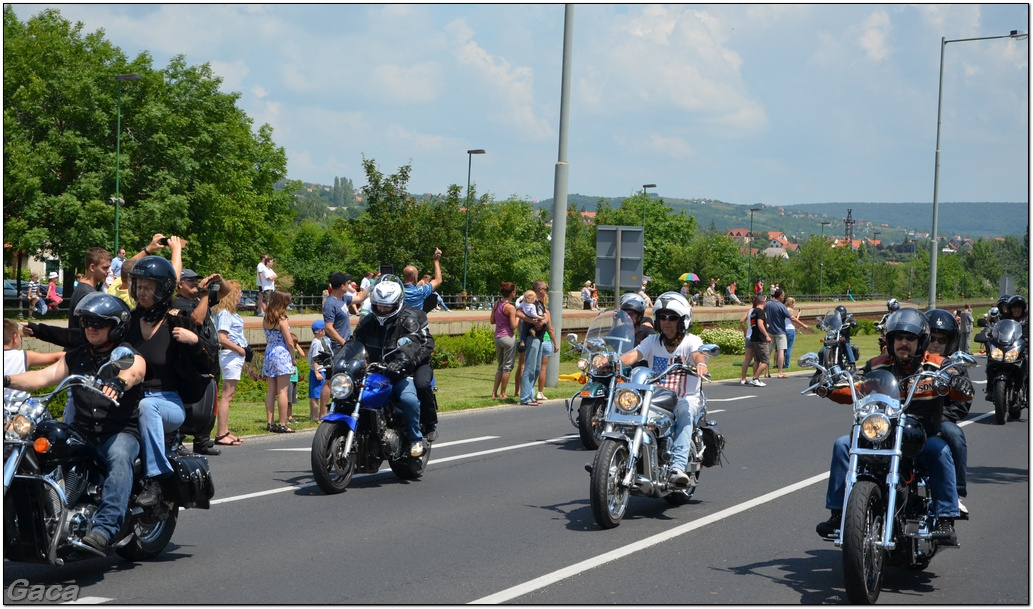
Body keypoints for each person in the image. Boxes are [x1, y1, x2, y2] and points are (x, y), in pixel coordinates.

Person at [4, 292, 147, 552]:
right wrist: (6, 380)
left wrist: (119, 381)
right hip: (83, 431)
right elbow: (41, 378)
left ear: (116, 326)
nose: (91, 327)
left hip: (118, 431)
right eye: (88, 322)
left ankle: (104, 529)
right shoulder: (77, 356)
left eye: (99, 323)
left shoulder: (124, 354)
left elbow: (135, 370)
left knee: (119, 457)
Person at [816, 308, 968, 545]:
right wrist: (826, 386)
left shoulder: (937, 365)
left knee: (941, 451)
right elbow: (853, 387)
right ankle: (838, 513)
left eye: (910, 338)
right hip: (881, 434)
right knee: (842, 445)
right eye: (898, 338)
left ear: (921, 342)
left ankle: (945, 516)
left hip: (922, 437)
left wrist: (957, 381)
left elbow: (959, 389)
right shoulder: (877, 366)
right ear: (890, 340)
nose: (903, 343)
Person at [127, 249, 212, 505]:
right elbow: (87, 339)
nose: (142, 292)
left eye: (148, 287)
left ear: (162, 289)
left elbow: (206, 362)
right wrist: (41, 330)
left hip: (167, 402)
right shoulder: (129, 321)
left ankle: (156, 477)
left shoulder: (177, 321)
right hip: (131, 399)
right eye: (139, 286)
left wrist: (195, 340)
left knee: (148, 406)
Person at [618, 292, 708, 486]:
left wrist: (700, 364)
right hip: (656, 398)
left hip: (686, 397)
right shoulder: (653, 341)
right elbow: (634, 354)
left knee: (684, 411)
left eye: (672, 318)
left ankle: (677, 467)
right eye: (663, 317)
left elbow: (697, 354)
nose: (667, 322)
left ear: (682, 321)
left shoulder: (691, 341)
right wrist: (613, 361)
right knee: (628, 409)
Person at [353, 274, 433, 456]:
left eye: (387, 305)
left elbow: (414, 342)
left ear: (397, 303)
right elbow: (354, 342)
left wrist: (402, 360)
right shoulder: (367, 321)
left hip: (398, 372)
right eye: (379, 304)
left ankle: (415, 438)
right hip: (373, 372)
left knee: (408, 399)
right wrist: (338, 358)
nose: (382, 309)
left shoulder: (408, 319)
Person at [170, 268, 226, 456]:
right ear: (180, 285)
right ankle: (177, 440)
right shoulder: (179, 302)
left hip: (210, 357)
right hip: (192, 359)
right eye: (190, 281)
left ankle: (202, 441)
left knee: (211, 400)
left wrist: (220, 279)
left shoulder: (200, 299)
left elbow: (225, 292)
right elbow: (197, 320)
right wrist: (204, 294)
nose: (195, 283)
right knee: (189, 400)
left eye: (197, 280)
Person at [925, 308, 971, 516]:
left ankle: (956, 493)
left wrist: (937, 418)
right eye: (931, 338)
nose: (935, 343)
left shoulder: (955, 366)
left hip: (940, 421)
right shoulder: (914, 361)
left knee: (954, 433)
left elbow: (962, 406)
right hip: (905, 420)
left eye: (941, 340)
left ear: (950, 342)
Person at [320, 272, 369, 410]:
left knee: (345, 376)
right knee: (330, 380)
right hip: (336, 346)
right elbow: (328, 328)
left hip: (344, 346)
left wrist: (372, 285)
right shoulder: (330, 303)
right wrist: (343, 342)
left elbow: (360, 297)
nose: (349, 286)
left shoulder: (343, 299)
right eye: (347, 284)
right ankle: (323, 413)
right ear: (342, 286)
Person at [213, 280, 248, 446]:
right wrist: (239, 349)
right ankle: (221, 433)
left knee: (229, 395)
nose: (240, 295)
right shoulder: (225, 313)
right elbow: (222, 338)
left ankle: (225, 430)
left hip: (234, 355)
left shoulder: (231, 312)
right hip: (231, 355)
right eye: (238, 292)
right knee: (227, 396)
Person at [262, 290, 297, 433]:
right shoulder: (281, 319)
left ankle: (270, 423)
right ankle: (282, 424)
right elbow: (289, 341)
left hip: (269, 351)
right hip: (281, 353)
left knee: (271, 391)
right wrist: (293, 357)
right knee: (283, 391)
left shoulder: (266, 317)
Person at [3, 319, 64, 400]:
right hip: (16, 406)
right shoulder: (23, 356)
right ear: (15, 338)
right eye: (19, 335)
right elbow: (57, 357)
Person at [515, 280, 550, 405]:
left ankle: (531, 395)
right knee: (529, 367)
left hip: (540, 337)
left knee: (536, 369)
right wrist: (533, 321)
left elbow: (546, 315)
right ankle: (525, 398)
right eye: (545, 289)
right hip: (532, 337)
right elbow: (518, 312)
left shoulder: (539, 303)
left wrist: (543, 321)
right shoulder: (529, 301)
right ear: (540, 289)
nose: (545, 291)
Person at [68, 247, 113, 331]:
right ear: (92, 267)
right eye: (105, 268)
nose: (109, 271)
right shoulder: (88, 295)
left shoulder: (83, 288)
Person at [489, 281, 519, 399]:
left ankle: (494, 392)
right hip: (508, 337)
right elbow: (513, 326)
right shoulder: (510, 308)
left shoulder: (496, 304)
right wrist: (518, 318)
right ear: (512, 293)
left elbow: (492, 320)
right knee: (507, 367)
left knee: (500, 366)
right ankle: (503, 393)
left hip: (498, 337)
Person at [403, 248, 443, 312]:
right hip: (417, 319)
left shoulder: (398, 291)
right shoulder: (421, 290)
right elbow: (438, 280)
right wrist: (436, 261)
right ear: (415, 276)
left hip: (401, 320)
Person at [535, 289, 557, 402]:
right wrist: (555, 344)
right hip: (547, 341)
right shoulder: (546, 312)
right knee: (543, 369)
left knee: (533, 367)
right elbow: (551, 329)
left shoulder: (533, 311)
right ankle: (540, 392)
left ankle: (529, 390)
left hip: (537, 340)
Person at [763, 288, 791, 378]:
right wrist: (802, 324)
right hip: (780, 332)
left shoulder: (767, 304)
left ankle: (766, 373)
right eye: (783, 295)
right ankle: (780, 372)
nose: (784, 297)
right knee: (781, 351)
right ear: (781, 296)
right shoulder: (781, 306)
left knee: (768, 351)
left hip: (769, 331)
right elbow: (791, 317)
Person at [744, 294, 770, 386]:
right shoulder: (760, 312)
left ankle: (756, 378)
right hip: (760, 338)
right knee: (765, 360)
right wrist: (766, 335)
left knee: (757, 360)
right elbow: (760, 324)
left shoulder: (753, 312)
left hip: (753, 337)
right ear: (763, 302)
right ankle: (755, 378)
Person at [308, 319, 331, 419]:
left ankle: (313, 414)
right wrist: (317, 372)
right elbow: (315, 358)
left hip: (318, 370)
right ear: (321, 331)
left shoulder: (318, 341)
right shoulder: (317, 343)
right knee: (316, 393)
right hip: (318, 370)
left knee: (315, 393)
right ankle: (315, 415)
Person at [782, 296, 809, 370]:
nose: (794, 305)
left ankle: (782, 363)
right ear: (791, 303)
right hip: (790, 329)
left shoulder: (784, 309)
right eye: (794, 303)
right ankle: (787, 365)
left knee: (784, 348)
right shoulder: (790, 310)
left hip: (784, 329)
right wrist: (799, 314)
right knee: (789, 347)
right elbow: (794, 320)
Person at [286, 332, 304, 424]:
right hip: (288, 378)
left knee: (292, 400)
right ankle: (287, 417)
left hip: (294, 378)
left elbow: (302, 354)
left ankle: (290, 416)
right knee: (287, 400)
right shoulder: (287, 352)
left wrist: (297, 345)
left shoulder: (294, 353)